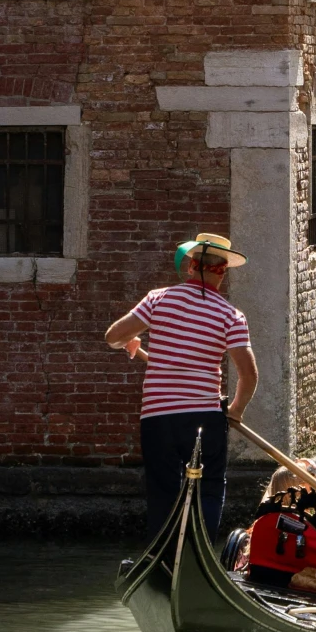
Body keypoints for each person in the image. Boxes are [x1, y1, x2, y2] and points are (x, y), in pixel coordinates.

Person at [104, 233, 258, 544]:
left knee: (163, 492)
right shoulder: (231, 316)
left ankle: (163, 560)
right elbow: (249, 374)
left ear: (190, 266)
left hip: (158, 418)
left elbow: (112, 337)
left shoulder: (157, 299)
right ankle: (194, 556)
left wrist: (129, 341)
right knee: (209, 488)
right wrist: (235, 410)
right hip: (204, 416)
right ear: (223, 271)